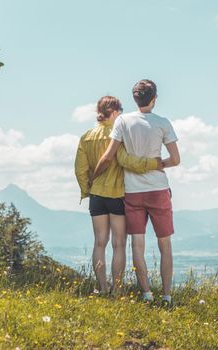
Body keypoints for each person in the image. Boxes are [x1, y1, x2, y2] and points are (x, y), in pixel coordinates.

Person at [92, 79, 180, 305]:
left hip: (132, 191)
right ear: (154, 99)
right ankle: (167, 296)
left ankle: (147, 294)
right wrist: (159, 164)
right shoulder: (163, 123)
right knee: (165, 245)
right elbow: (176, 159)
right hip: (158, 189)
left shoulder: (122, 121)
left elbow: (110, 155)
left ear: (134, 99)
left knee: (137, 245)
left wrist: (92, 178)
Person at [74, 95, 162, 295]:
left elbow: (80, 169)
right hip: (117, 195)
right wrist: (154, 164)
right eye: (119, 114)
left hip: (96, 197)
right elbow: (126, 161)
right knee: (119, 244)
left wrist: (88, 189)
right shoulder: (118, 135)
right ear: (113, 113)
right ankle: (117, 289)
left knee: (99, 243)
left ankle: (103, 288)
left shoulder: (86, 136)